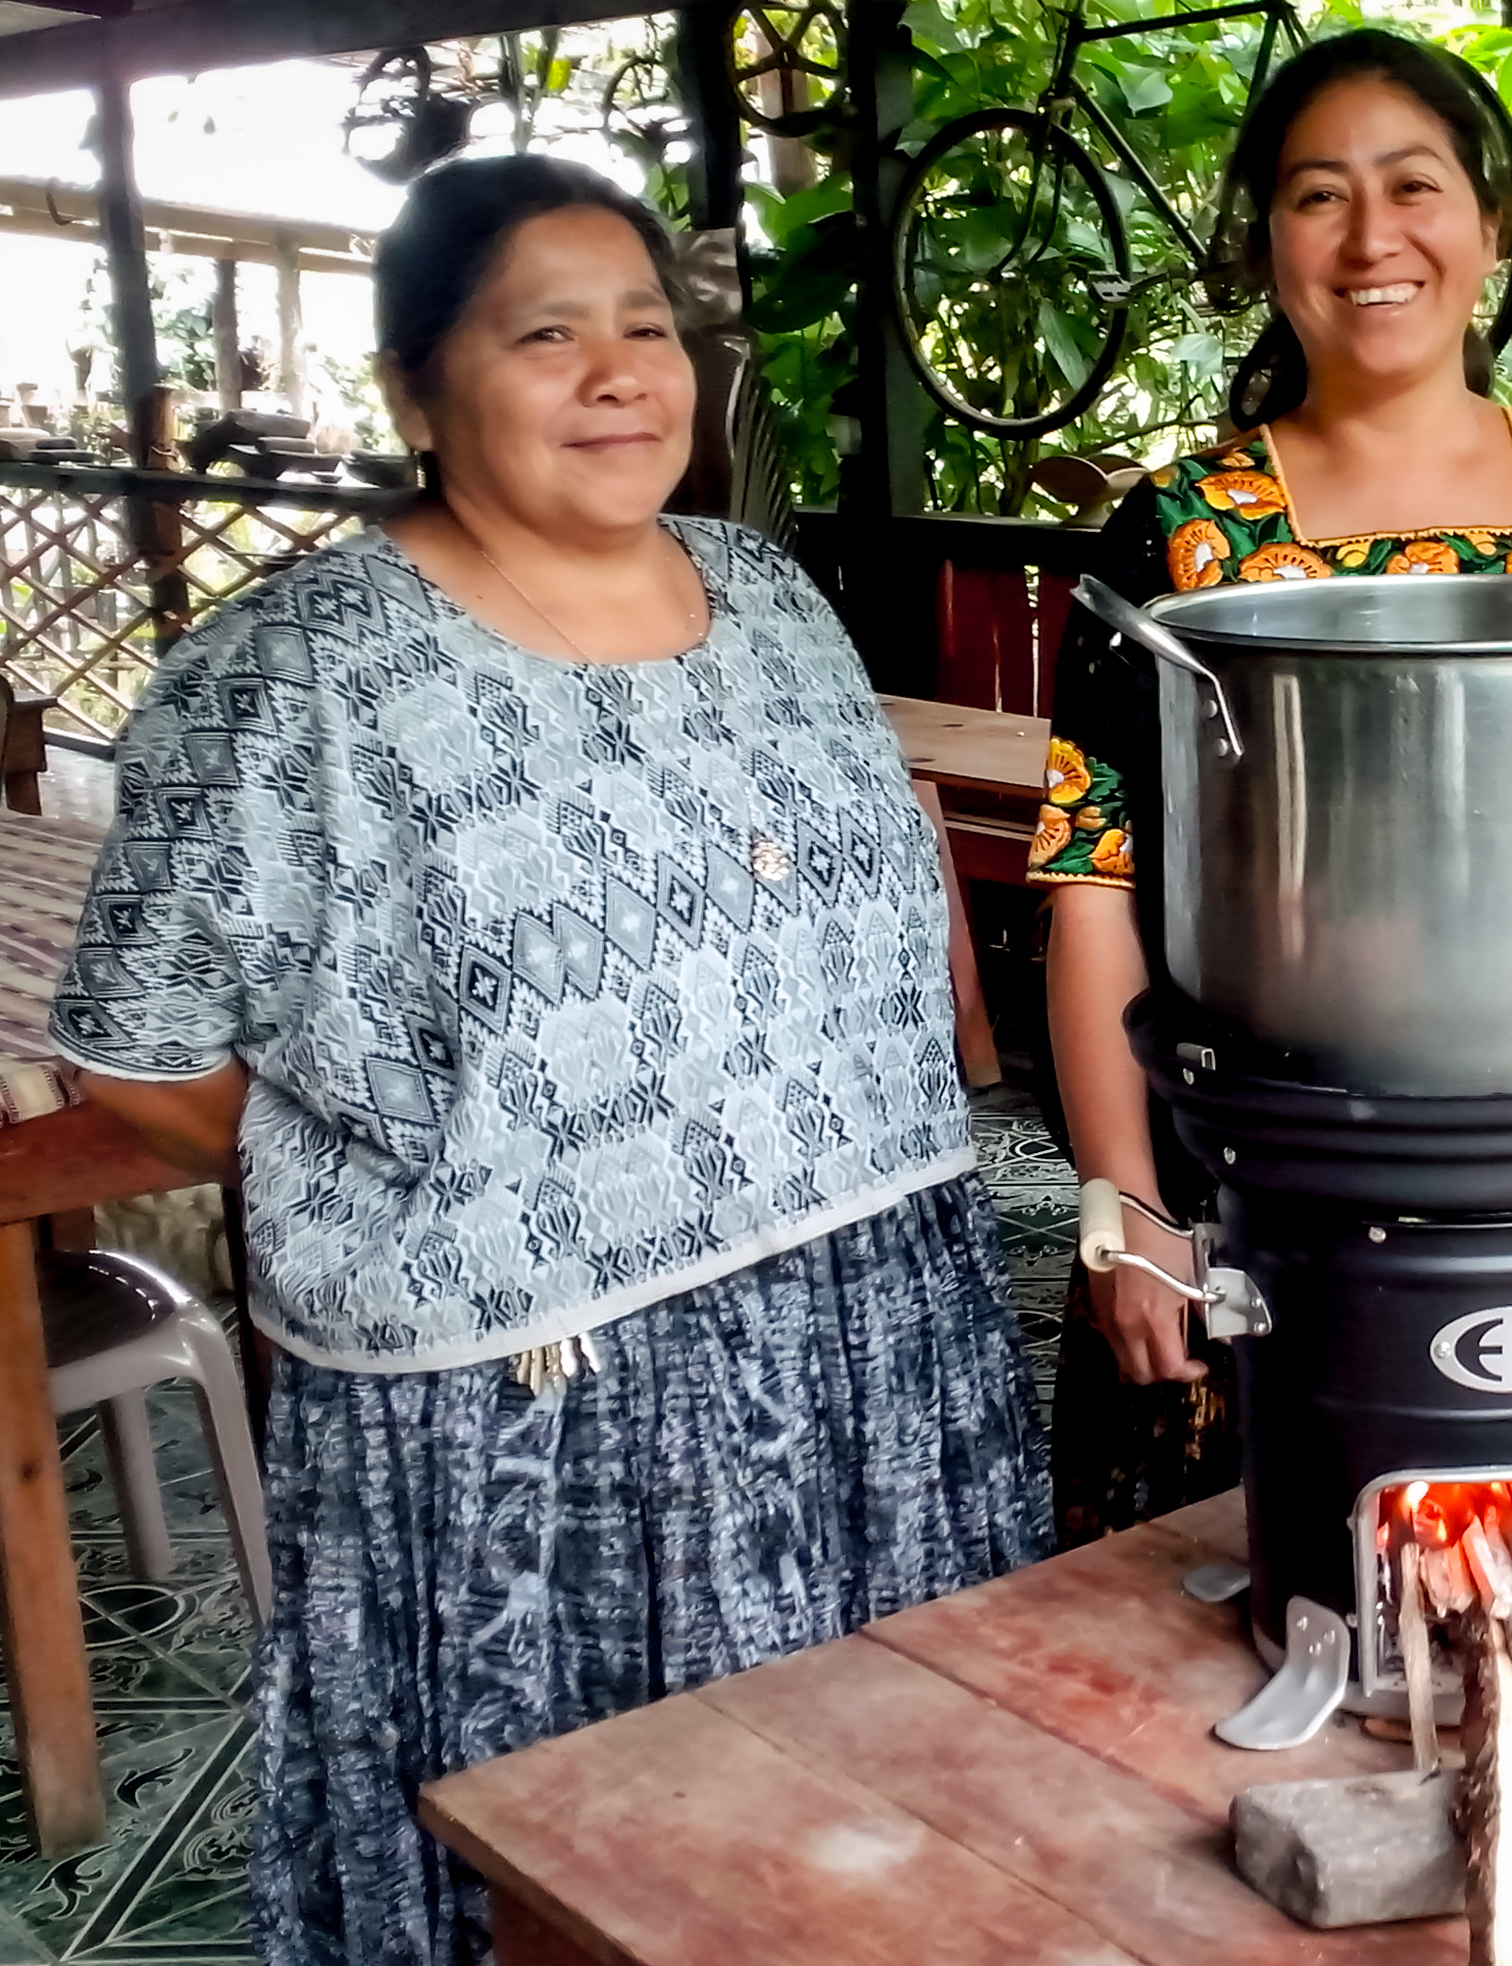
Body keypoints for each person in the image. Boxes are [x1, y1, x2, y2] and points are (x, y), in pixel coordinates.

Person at [51, 155, 1053, 1965]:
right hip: (538, 1411)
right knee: (586, 1880)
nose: (618, 373)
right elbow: (137, 1053)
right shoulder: (296, 671)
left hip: (869, 1333)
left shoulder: (765, 590)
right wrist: (419, 1171)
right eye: (546, 332)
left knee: (876, 1853)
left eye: (645, 329)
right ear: (417, 388)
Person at [1033, 26, 1512, 1538]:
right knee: (1253, 1623)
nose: (1370, 237)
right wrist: (1125, 1207)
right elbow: (1091, 877)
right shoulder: (1182, 539)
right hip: (1261, 1205)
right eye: (1317, 195)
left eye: (1413, 186)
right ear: (1265, 240)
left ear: (1493, 225)